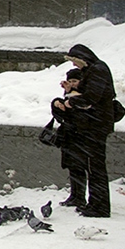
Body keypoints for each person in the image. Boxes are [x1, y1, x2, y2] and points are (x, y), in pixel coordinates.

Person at [52, 44, 116, 218]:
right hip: (94, 125)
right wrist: (70, 92)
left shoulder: (97, 70)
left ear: (82, 59)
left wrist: (71, 102)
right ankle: (95, 203)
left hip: (96, 126)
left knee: (95, 168)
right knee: (93, 166)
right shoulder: (95, 69)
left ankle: (99, 207)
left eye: (74, 61)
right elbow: (89, 94)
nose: (74, 66)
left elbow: (91, 98)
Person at [51, 68, 86, 208]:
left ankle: (80, 197)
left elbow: (77, 116)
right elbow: (63, 117)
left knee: (78, 168)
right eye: (70, 81)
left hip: (79, 138)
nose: (72, 84)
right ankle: (74, 195)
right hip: (70, 138)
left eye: (75, 81)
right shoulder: (70, 94)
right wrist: (57, 103)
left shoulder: (83, 96)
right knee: (73, 168)